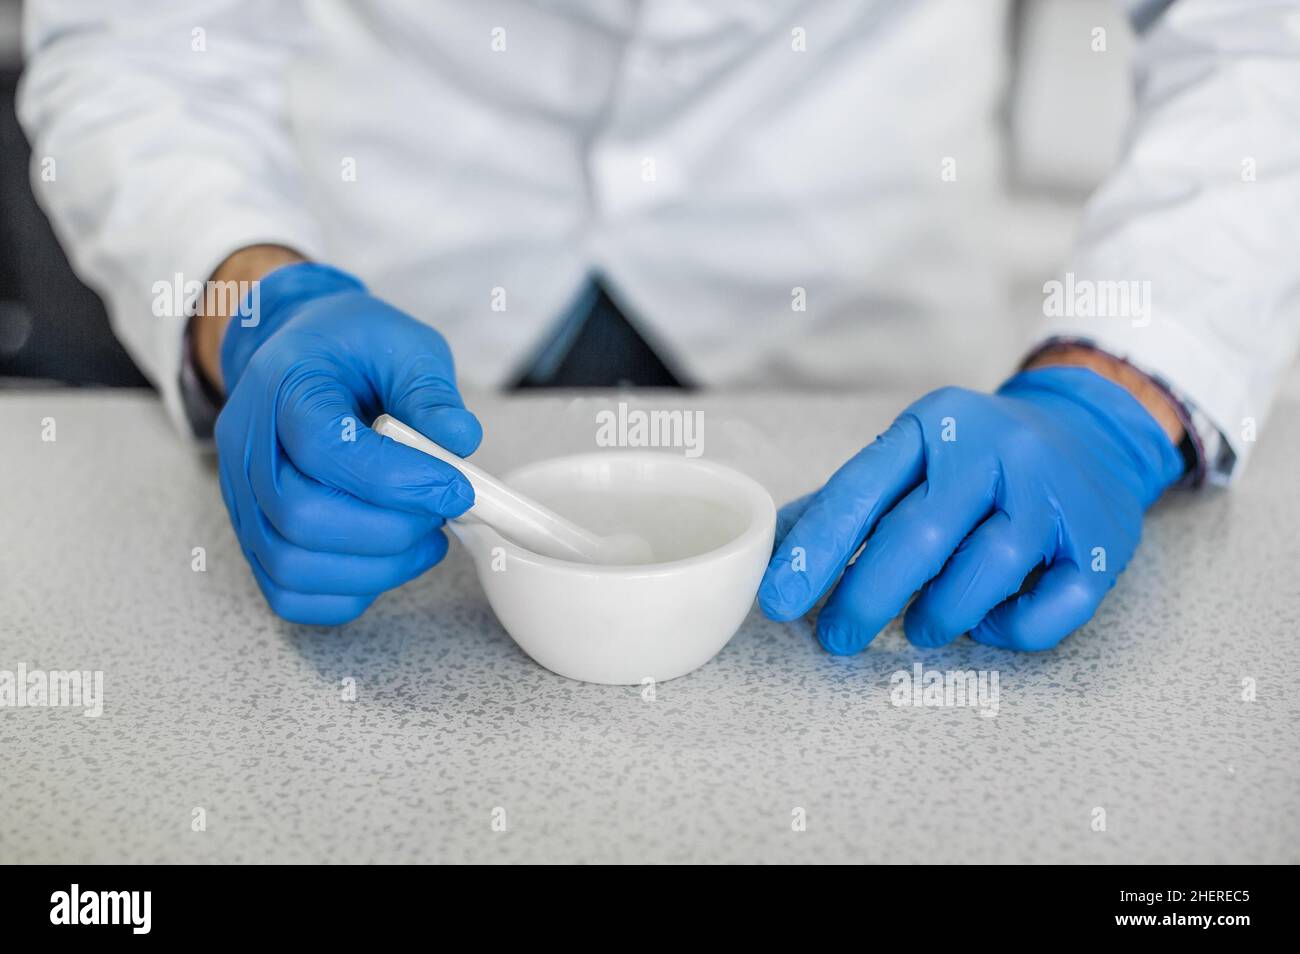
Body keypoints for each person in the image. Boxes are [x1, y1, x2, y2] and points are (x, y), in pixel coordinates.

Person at [19, 1, 1300, 650]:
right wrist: (248, 300)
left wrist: (1121, 388)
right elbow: (143, 41)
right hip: (397, 278)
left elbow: (1256, 36)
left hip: (857, 317)